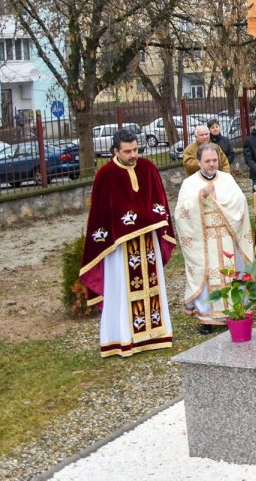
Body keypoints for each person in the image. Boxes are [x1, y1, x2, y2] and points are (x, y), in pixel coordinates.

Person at [79, 129, 176, 357]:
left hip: (148, 241)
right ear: (115, 151)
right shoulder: (106, 174)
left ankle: (156, 333)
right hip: (120, 247)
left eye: (135, 149)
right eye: (127, 151)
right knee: (122, 289)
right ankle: (124, 337)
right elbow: (101, 213)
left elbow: (159, 201)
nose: (133, 155)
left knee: (152, 285)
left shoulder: (148, 168)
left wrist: (152, 220)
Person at [173, 143, 254, 333]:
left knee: (231, 273)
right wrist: (199, 197)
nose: (211, 164)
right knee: (206, 273)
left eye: (214, 160)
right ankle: (206, 319)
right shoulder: (190, 183)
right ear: (199, 162)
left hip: (228, 235)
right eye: (207, 161)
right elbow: (181, 213)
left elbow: (241, 203)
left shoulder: (227, 179)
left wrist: (223, 208)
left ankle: (234, 313)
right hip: (203, 238)